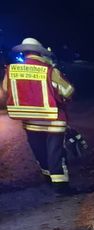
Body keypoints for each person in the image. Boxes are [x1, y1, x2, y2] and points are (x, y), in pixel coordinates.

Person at [0, 38, 77, 195]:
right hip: (53, 120)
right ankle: (61, 187)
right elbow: (68, 91)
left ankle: (48, 179)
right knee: (55, 152)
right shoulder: (49, 70)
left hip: (30, 122)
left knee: (40, 151)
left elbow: (4, 91)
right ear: (40, 53)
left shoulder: (12, 72)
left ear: (25, 52)